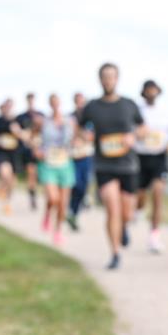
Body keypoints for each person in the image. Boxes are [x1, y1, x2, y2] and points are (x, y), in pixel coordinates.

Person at [78, 63, 147, 270]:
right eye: (105, 77)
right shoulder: (92, 107)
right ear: (100, 79)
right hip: (104, 164)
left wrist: (133, 136)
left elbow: (143, 128)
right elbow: (80, 128)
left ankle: (124, 227)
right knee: (111, 208)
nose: (108, 80)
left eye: (111, 76)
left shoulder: (128, 104)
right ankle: (115, 252)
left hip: (127, 165)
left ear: (117, 79)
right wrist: (85, 135)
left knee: (126, 213)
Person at [135, 79, 168, 253]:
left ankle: (154, 235)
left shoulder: (166, 111)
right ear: (144, 92)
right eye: (148, 90)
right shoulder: (137, 111)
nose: (151, 93)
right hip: (141, 157)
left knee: (158, 194)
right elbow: (131, 131)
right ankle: (138, 209)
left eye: (154, 90)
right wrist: (137, 133)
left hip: (159, 157)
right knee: (140, 196)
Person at [35, 94, 77, 246]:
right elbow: (33, 137)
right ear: (49, 104)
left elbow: (77, 138)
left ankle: (57, 230)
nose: (55, 106)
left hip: (65, 163)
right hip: (48, 164)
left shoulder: (69, 122)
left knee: (63, 203)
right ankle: (47, 213)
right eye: (52, 103)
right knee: (53, 198)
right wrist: (36, 149)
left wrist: (78, 144)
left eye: (57, 103)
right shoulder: (43, 122)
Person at [68, 92, 95, 231]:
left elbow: (90, 136)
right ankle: (71, 210)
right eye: (78, 101)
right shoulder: (71, 117)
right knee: (75, 185)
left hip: (86, 155)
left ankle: (74, 212)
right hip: (73, 156)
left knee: (84, 184)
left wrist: (80, 134)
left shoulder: (90, 118)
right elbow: (70, 135)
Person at [0, 99, 24, 215]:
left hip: (14, 154)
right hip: (1, 153)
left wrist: (17, 131)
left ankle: (7, 202)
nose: (8, 108)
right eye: (6, 106)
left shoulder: (18, 121)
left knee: (12, 182)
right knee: (6, 174)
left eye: (10, 106)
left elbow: (24, 136)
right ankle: (1, 188)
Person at [16, 92, 43, 211]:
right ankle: (32, 196)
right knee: (31, 173)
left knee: (40, 175)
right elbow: (18, 132)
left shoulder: (41, 115)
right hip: (28, 150)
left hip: (41, 150)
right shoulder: (21, 117)